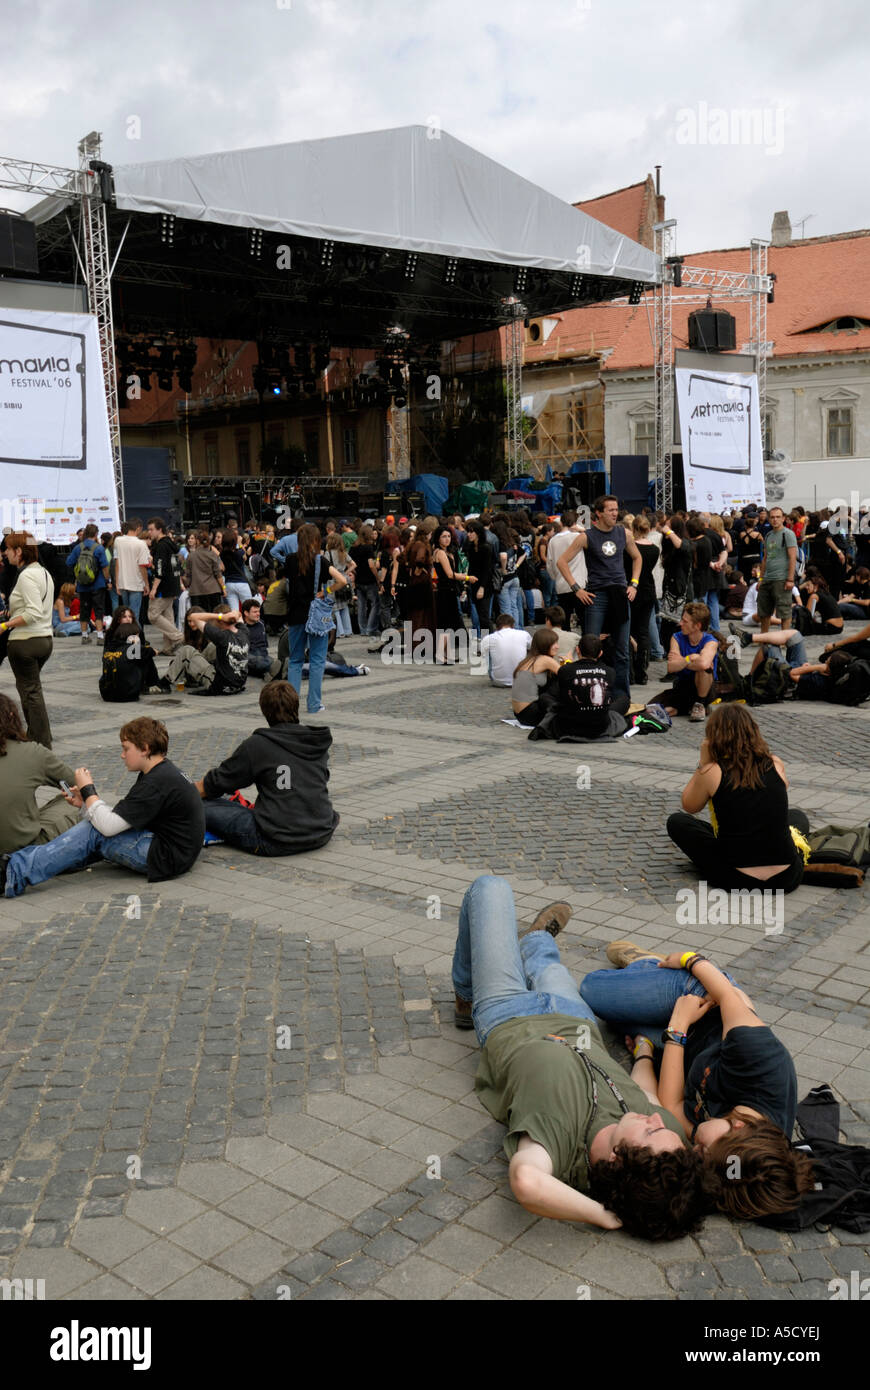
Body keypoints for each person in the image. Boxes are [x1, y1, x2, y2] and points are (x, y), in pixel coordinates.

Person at [452, 876, 716, 1239]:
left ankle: (466, 993)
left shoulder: (559, 1145)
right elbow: (649, 1097)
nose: (656, 1118)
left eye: (650, 1129)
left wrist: (603, 1215)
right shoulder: (667, 1146)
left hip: (506, 1014)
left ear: (616, 1160)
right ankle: (536, 940)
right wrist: (642, 1052)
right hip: (576, 1018)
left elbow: (527, 1182)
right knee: (548, 963)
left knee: (491, 889)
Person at [579, 945, 816, 1220]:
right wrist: (689, 960)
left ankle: (644, 989)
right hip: (702, 1000)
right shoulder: (761, 1064)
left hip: (679, 1042)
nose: (694, 1149)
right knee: (591, 991)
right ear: (738, 1126)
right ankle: (648, 963)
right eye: (702, 1149)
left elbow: (672, 1105)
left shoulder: (735, 1152)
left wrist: (672, 1034)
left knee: (622, 1026)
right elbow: (727, 996)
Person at [0, 716, 205, 896]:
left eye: (126, 749)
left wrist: (89, 790)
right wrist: (84, 805)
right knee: (93, 829)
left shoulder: (156, 782)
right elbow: (120, 819)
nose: (122, 755)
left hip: (166, 858)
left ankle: (13, 872)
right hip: (177, 852)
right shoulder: (162, 772)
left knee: (94, 832)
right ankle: (44, 863)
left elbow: (108, 827)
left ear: (145, 749)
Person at [667, 703, 810, 894]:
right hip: (786, 878)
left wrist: (703, 763)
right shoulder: (775, 763)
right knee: (797, 817)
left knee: (677, 822)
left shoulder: (712, 771)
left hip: (735, 878)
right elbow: (771, 797)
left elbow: (689, 805)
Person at [196, 680, 339, 855]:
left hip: (276, 839)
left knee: (198, 805)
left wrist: (185, 794)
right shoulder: (315, 741)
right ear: (296, 705)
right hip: (321, 830)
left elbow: (218, 782)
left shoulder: (259, 745)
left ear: (264, 710)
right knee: (229, 806)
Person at [554, 495, 642, 701]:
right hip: (597, 595)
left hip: (620, 594)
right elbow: (562, 561)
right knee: (590, 649)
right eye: (610, 510)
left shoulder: (624, 533)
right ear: (599, 513)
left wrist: (634, 584)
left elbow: (637, 557)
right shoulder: (587, 536)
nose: (615, 513)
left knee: (622, 650)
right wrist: (576, 588)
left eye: (616, 509)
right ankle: (591, 694)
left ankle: (622, 698)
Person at [0, 694, 79, 852]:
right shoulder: (33, 753)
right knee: (77, 804)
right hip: (20, 851)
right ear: (12, 717)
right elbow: (78, 784)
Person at [284, 523, 347, 714]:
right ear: (314, 540)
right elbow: (343, 581)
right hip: (317, 615)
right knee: (317, 661)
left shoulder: (290, 560)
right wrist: (326, 591)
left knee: (295, 661)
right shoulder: (320, 561)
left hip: (295, 614)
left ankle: (291, 706)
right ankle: (314, 704)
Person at [2, 533, 54, 749]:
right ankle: (38, 736)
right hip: (43, 639)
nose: (5, 553)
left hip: (26, 641)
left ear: (19, 552)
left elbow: (34, 612)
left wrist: (5, 625)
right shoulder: (43, 572)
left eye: (8, 549)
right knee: (31, 690)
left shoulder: (26, 576)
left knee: (30, 693)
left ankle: (39, 742)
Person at [550, 632, 630, 739]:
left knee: (547, 696)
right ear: (600, 653)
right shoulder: (610, 672)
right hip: (599, 726)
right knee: (623, 699)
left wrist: (568, 663)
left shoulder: (565, 670)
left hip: (569, 726)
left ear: (577, 650)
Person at [653, 601, 718, 721]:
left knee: (703, 669)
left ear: (697, 626)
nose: (680, 623)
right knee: (654, 709)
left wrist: (682, 662)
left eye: (685, 621)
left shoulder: (711, 641)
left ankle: (700, 704)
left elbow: (703, 664)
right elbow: (671, 667)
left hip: (705, 689)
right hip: (683, 686)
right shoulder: (677, 637)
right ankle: (684, 709)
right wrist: (691, 657)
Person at [99, 607, 168, 702]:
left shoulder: (137, 630)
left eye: (130, 617)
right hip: (122, 675)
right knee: (144, 655)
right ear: (118, 619)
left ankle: (151, 683)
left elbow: (142, 651)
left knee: (143, 656)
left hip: (108, 691)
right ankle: (153, 684)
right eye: (124, 617)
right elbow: (147, 652)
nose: (128, 619)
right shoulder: (112, 633)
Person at [178, 606, 250, 696]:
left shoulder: (220, 636)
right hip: (239, 684)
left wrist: (220, 616)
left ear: (220, 621)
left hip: (221, 686)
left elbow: (193, 616)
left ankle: (164, 684)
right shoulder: (244, 632)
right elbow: (238, 614)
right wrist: (229, 616)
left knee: (186, 650)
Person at [756, 506, 798, 638]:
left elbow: (792, 557)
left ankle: (784, 638)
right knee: (764, 611)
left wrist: (790, 579)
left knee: (784, 611)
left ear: (783, 518)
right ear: (769, 518)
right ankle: (764, 638)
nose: (775, 520)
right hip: (768, 577)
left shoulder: (788, 534)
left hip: (782, 578)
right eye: (772, 517)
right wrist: (760, 579)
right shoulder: (768, 535)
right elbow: (765, 558)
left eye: (778, 517)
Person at [67, 522, 110, 643]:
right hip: (98, 584)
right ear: (96, 534)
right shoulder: (99, 548)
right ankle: (100, 636)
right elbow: (105, 567)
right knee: (98, 610)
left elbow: (69, 563)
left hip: (82, 586)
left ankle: (84, 636)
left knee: (84, 610)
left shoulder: (78, 548)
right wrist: (107, 580)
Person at [146, 517, 184, 653]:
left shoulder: (162, 545)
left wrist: (154, 589)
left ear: (159, 530)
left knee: (153, 614)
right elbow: (175, 565)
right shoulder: (171, 544)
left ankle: (178, 637)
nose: (149, 532)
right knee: (168, 616)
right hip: (172, 584)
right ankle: (168, 648)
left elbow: (160, 569)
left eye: (151, 529)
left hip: (164, 585)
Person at [511, 628, 560, 725]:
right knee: (559, 682)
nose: (557, 647)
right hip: (531, 713)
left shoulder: (529, 659)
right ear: (544, 645)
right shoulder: (545, 659)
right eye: (554, 644)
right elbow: (568, 675)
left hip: (520, 714)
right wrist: (569, 662)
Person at [112, 518, 151, 622]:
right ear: (138, 528)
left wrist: (117, 583)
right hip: (136, 583)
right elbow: (142, 566)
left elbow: (117, 563)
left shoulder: (118, 540)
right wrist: (146, 584)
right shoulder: (141, 544)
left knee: (126, 615)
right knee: (134, 616)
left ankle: (127, 636)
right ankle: (134, 637)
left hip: (123, 582)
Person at [480, 614, 531, 687]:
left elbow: (479, 653)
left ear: (497, 627)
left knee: (489, 649)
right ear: (513, 625)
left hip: (498, 681)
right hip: (521, 680)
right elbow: (532, 648)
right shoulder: (524, 634)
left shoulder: (490, 637)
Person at [240, 598, 282, 679]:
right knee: (258, 661)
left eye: (258, 611)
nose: (258, 614)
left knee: (268, 661)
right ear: (246, 613)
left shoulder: (261, 624)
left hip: (263, 656)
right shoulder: (241, 628)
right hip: (250, 657)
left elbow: (265, 645)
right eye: (255, 612)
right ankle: (275, 671)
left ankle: (271, 671)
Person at [185, 528, 224, 612]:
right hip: (213, 589)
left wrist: (186, 585)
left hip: (196, 591)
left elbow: (188, 575)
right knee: (215, 616)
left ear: (197, 541)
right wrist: (223, 588)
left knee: (199, 617)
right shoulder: (212, 555)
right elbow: (218, 574)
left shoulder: (191, 556)